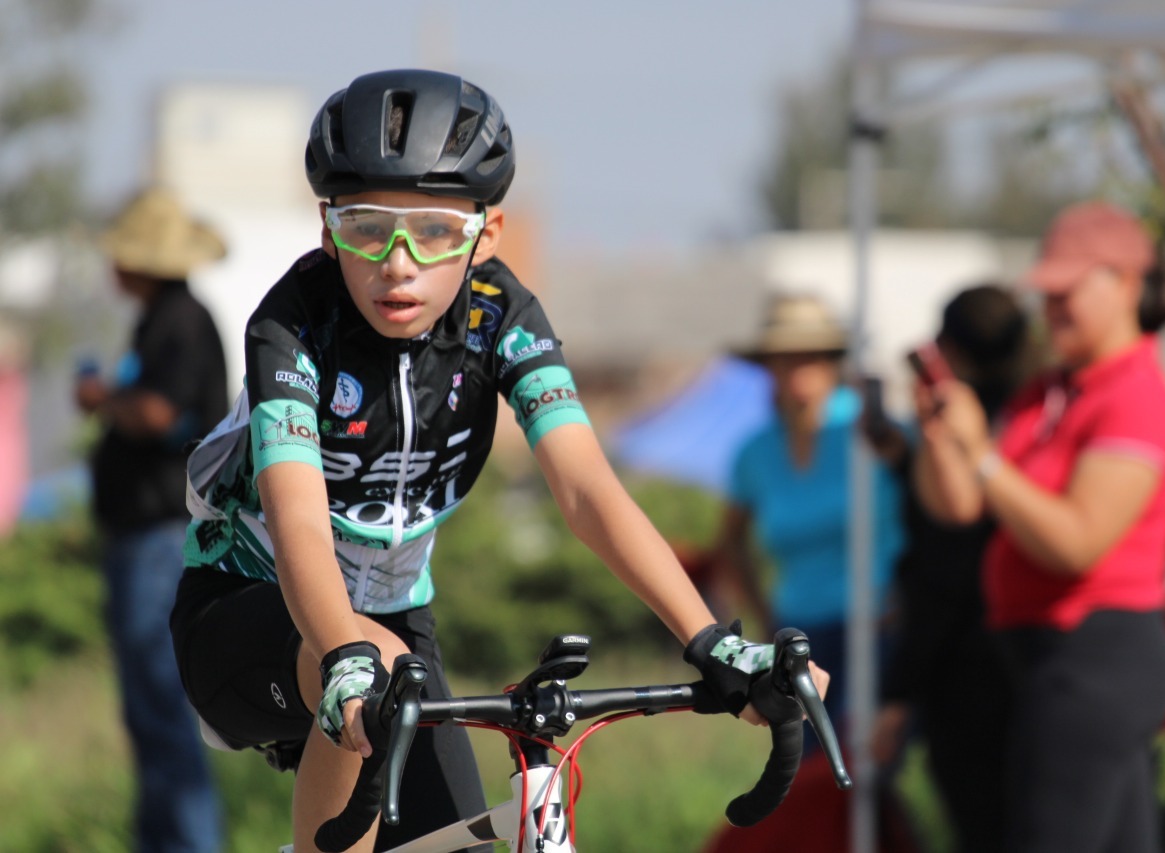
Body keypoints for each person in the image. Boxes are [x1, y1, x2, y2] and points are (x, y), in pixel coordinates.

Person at [167, 69, 825, 853]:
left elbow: (585, 488)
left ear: (489, 233)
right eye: (367, 227)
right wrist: (344, 647)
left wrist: (711, 640)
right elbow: (299, 514)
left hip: (397, 623)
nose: (399, 263)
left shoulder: (503, 317)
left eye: (437, 231)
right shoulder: (292, 323)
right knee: (374, 663)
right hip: (251, 606)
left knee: (464, 842)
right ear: (326, 228)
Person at [912, 201, 1165, 853]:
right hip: (1049, 658)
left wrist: (980, 455)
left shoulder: (1135, 396)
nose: (1053, 307)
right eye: (1049, 294)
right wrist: (941, 437)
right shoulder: (1051, 392)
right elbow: (956, 508)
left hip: (1096, 655)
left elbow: (1076, 542)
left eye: (1068, 292)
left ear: (1124, 284)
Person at [74, 186, 227, 853]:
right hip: (143, 542)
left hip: (162, 543)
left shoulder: (181, 322)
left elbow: (160, 412)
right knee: (147, 712)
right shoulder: (159, 319)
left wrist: (102, 397)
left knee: (164, 710)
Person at [867, 283, 1035, 853]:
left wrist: (897, 691)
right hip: (1045, 659)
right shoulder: (1038, 416)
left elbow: (953, 549)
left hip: (969, 672)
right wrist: (904, 459)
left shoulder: (964, 431)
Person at [709, 292, 905, 748]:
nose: (798, 369)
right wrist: (763, 617)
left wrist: (908, 599)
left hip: (878, 629)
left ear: (833, 361)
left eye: (811, 356)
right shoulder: (754, 452)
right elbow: (731, 543)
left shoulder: (875, 433)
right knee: (812, 771)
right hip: (800, 634)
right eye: (785, 358)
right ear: (768, 366)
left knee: (861, 764)